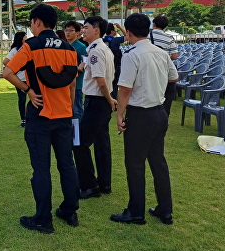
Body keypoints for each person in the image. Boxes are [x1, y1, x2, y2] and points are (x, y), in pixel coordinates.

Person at [3, 4, 80, 234]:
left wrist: (27, 90)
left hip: (40, 115)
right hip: (65, 115)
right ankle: (70, 210)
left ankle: (43, 219)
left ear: (37, 22)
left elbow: (7, 71)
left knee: (41, 169)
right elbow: (73, 82)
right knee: (67, 165)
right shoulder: (69, 48)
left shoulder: (31, 46)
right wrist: (68, 105)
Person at [110, 13, 178, 226]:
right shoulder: (160, 52)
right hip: (159, 112)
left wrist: (119, 114)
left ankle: (136, 212)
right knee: (158, 161)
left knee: (135, 163)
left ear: (128, 32)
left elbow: (125, 89)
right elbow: (174, 78)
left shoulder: (132, 54)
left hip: (141, 114)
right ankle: (165, 209)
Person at [73, 16, 117, 199]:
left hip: (97, 101)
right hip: (101, 102)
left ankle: (90, 185)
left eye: (86, 27)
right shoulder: (100, 49)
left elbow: (100, 81)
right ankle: (104, 183)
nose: (83, 30)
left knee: (79, 143)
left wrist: (109, 99)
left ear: (97, 30)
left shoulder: (96, 51)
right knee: (102, 144)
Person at [150, 15, 178, 115]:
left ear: (154, 24)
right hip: (164, 70)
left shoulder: (147, 35)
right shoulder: (169, 38)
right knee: (165, 96)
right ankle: (164, 116)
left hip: (149, 69)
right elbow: (174, 56)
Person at [2, 31, 28, 127]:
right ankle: (23, 119)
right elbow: (5, 61)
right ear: (21, 38)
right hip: (20, 79)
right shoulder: (15, 50)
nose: (27, 37)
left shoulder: (28, 48)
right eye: (25, 36)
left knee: (34, 98)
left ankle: (30, 117)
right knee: (22, 99)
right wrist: (15, 69)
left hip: (29, 78)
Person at [64, 20, 87, 120]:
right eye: (66, 30)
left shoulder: (81, 47)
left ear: (78, 33)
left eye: (71, 30)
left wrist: (68, 68)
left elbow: (84, 65)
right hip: (65, 84)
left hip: (77, 84)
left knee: (77, 111)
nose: (68, 32)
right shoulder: (63, 46)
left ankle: (78, 134)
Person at [103, 22, 126, 99]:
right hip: (116, 65)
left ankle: (106, 98)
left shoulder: (103, 40)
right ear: (112, 31)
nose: (116, 31)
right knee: (114, 85)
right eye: (115, 30)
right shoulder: (115, 40)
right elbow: (128, 36)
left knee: (106, 83)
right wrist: (120, 27)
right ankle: (113, 100)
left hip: (105, 65)